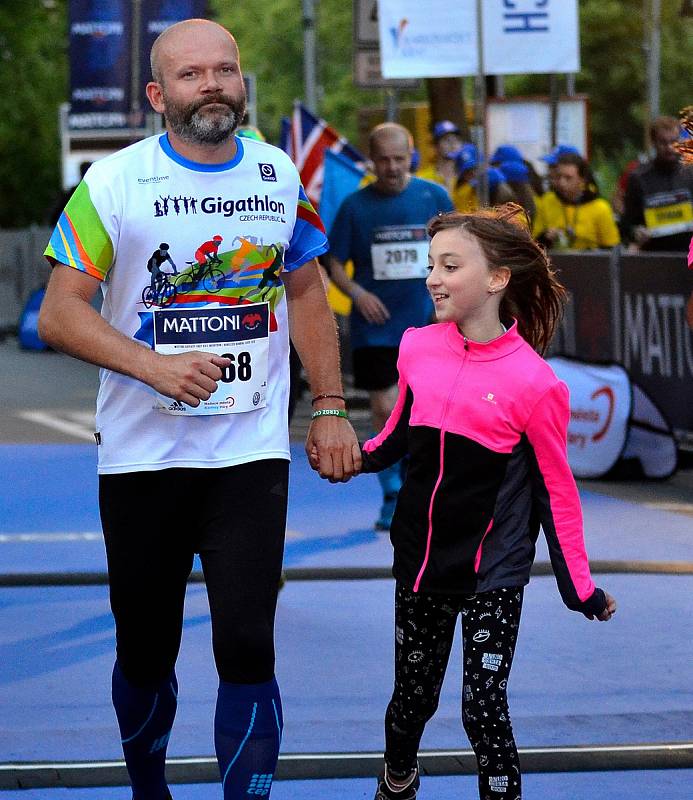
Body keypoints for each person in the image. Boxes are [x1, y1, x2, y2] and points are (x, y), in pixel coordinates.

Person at [39, 18, 359, 800]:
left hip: (249, 456)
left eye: (225, 70)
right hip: (145, 459)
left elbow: (309, 289)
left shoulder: (280, 175)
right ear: (157, 94)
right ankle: (150, 789)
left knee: (248, 643)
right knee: (145, 650)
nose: (211, 85)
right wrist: (150, 364)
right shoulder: (112, 182)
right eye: (191, 75)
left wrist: (329, 405)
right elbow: (59, 313)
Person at [351, 204, 616, 800]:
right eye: (431, 265)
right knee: (410, 704)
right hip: (422, 562)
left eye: (450, 266)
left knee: (483, 707)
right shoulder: (417, 347)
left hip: (494, 572)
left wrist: (580, 589)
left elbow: (557, 493)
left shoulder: (535, 383)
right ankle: (397, 781)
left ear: (497, 279)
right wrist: (355, 456)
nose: (432, 279)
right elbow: (396, 435)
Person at [326, 122, 453, 530]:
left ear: (411, 155)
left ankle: (424, 488)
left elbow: (460, 252)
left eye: (400, 159)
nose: (393, 168)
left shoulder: (434, 196)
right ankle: (392, 490)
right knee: (385, 406)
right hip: (377, 326)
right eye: (384, 160)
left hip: (427, 322)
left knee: (427, 408)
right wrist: (358, 294)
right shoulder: (355, 207)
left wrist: (447, 299)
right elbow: (333, 262)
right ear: (371, 161)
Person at [622, 115, 693, 253]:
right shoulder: (638, 178)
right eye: (663, 142)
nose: (669, 147)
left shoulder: (690, 174)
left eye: (674, 142)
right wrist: (636, 232)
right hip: (653, 254)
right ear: (653, 142)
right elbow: (626, 224)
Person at [533, 153, 620, 250]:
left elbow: (612, 248)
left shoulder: (600, 207)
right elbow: (533, 242)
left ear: (582, 180)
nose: (562, 183)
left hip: (589, 262)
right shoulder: (547, 200)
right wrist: (545, 237)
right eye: (558, 177)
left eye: (568, 178)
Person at [416, 120, 464, 197]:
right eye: (446, 139)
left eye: (456, 139)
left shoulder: (467, 177)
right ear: (436, 146)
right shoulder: (423, 178)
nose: (452, 144)